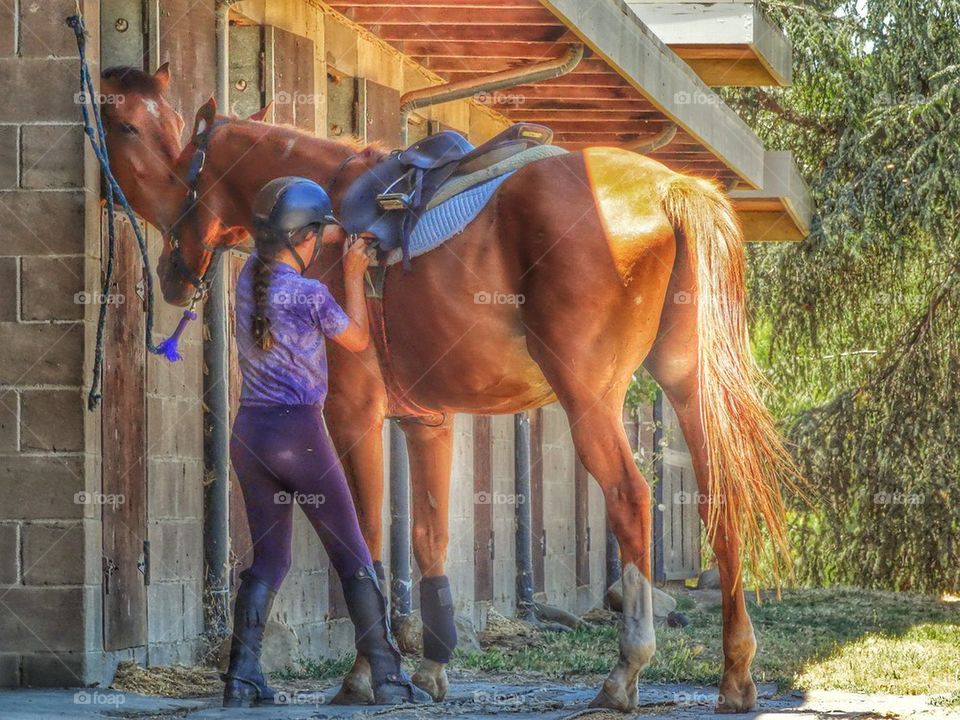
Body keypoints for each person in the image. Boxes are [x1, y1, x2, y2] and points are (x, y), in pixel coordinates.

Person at [223, 176, 429, 708]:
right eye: (316, 235)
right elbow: (357, 338)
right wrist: (356, 274)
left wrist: (330, 231)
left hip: (250, 436)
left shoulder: (247, 277)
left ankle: (242, 678)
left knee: (269, 562)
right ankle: (387, 677)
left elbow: (288, 244)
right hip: (299, 436)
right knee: (353, 555)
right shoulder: (313, 295)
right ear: (305, 237)